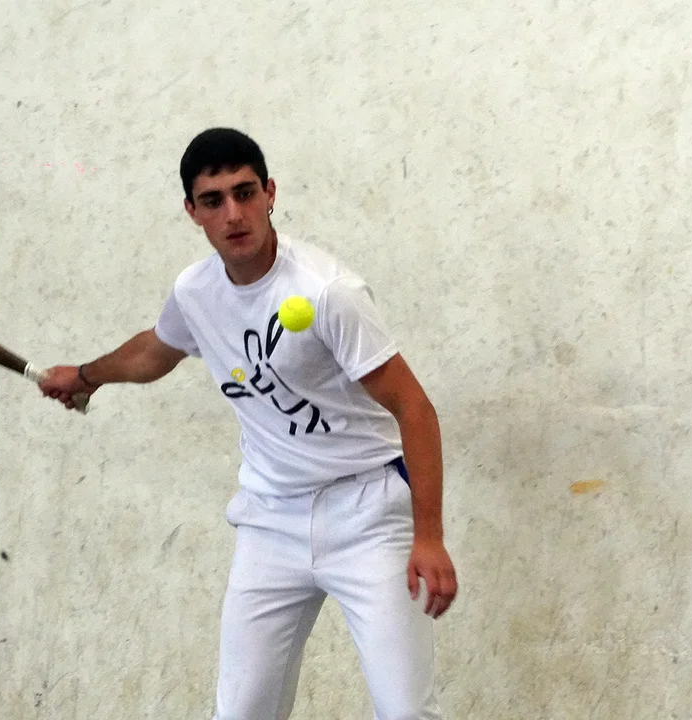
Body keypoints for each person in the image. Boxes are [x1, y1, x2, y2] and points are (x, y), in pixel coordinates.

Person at [39, 127, 457, 719]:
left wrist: (429, 535)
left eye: (245, 193)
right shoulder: (195, 292)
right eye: (213, 200)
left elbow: (414, 408)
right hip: (270, 521)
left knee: (407, 713)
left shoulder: (328, 292)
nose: (233, 214)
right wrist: (86, 376)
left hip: (368, 515)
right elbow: (156, 350)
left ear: (270, 194)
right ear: (192, 212)